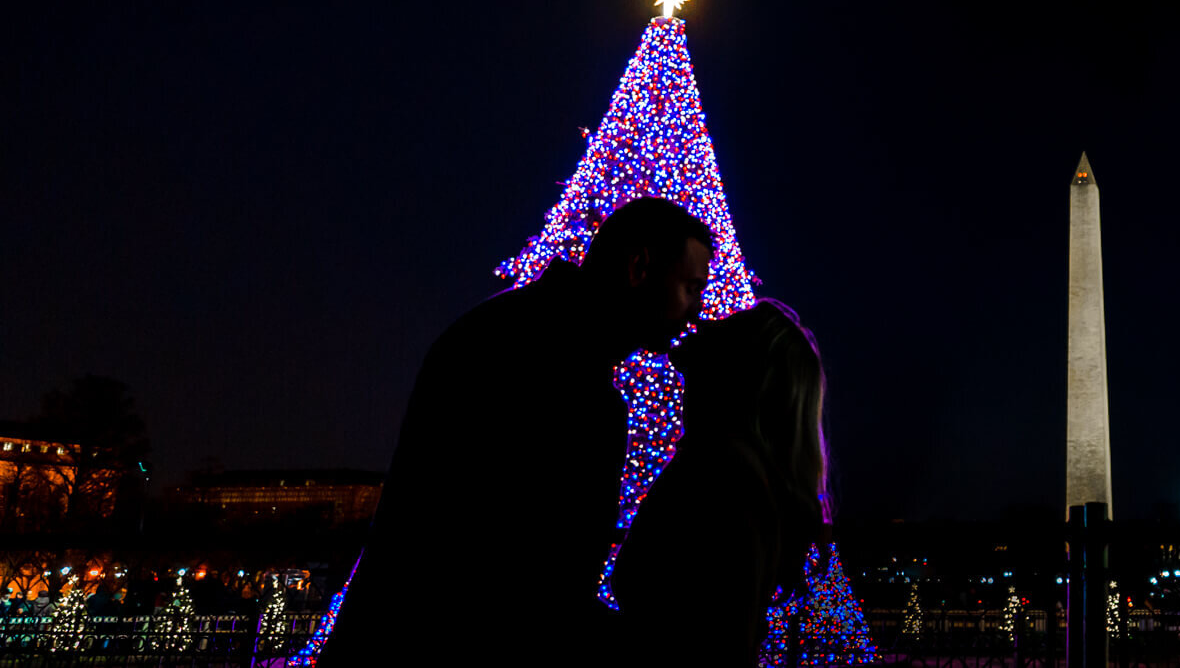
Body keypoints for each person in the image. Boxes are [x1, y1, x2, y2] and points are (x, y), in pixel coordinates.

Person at [320, 197, 715, 666]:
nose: (697, 311)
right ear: (639, 266)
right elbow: (533, 590)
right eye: (691, 288)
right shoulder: (564, 381)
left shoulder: (499, 332)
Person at [612, 299, 828, 667]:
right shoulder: (733, 475)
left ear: (735, 374)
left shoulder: (720, 482)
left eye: (725, 328)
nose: (703, 323)